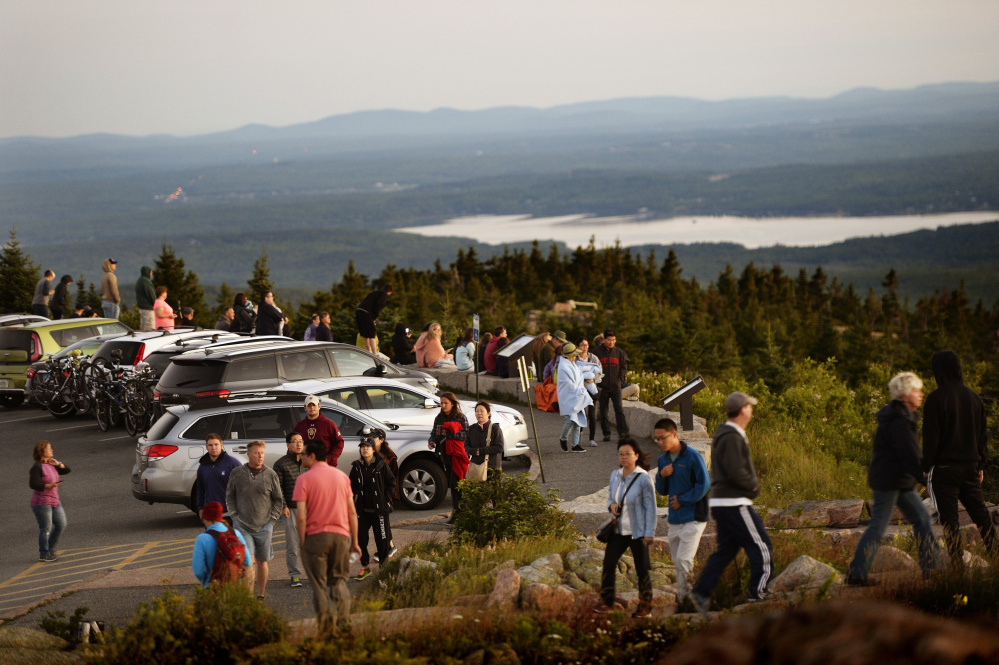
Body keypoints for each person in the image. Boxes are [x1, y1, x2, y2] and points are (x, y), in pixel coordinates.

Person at [847, 372, 942, 585]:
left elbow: (910, 457)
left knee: (922, 519)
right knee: (879, 526)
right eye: (917, 390)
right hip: (889, 482)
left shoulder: (902, 416)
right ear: (906, 394)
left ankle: (933, 568)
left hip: (899, 481)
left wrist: (922, 476)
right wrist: (928, 480)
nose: (921, 394)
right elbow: (909, 456)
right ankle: (857, 572)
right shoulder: (898, 420)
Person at [690, 392, 774, 617]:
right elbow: (736, 470)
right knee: (762, 545)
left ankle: (700, 593)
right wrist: (754, 487)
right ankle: (759, 592)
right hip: (734, 502)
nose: (752, 410)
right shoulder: (732, 436)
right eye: (750, 407)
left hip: (722, 501)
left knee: (726, 550)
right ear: (743, 410)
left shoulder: (727, 434)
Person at [923, 350, 999, 563]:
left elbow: (931, 438)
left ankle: (957, 569)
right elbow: (982, 437)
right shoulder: (974, 398)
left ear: (939, 371)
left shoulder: (936, 399)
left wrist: (926, 467)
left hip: (944, 471)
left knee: (950, 523)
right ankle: (995, 559)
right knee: (982, 517)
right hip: (971, 469)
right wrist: (981, 464)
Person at [293, 440, 362, 633]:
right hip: (340, 537)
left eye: (304, 453)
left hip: (316, 537)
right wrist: (354, 542)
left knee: (319, 585)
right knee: (339, 581)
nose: (301, 457)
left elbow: (300, 516)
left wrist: (303, 541)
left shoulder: (304, 480)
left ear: (312, 456)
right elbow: (351, 512)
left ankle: (326, 629)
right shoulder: (341, 477)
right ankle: (345, 625)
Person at [596, 437, 657, 618]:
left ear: (636, 456)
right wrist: (611, 506)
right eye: (621, 454)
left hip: (638, 532)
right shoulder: (615, 475)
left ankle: (645, 608)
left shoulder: (643, 478)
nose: (624, 457)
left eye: (628, 454)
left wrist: (649, 533)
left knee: (642, 569)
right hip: (618, 530)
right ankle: (607, 603)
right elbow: (610, 498)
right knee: (608, 564)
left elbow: (651, 508)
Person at [654, 418, 710, 599]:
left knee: (684, 559)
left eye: (663, 438)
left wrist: (683, 500)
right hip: (675, 518)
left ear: (675, 435)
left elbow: (705, 484)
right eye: (657, 439)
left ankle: (688, 599)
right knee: (678, 561)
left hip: (694, 516)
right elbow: (662, 491)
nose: (660, 442)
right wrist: (661, 475)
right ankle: (684, 596)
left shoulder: (692, 456)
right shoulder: (663, 460)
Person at [225, 440, 283, 600]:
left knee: (262, 561)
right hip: (242, 525)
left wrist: (272, 520)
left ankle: (261, 594)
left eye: (262, 453)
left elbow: (278, 499)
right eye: (257, 453)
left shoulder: (271, 474)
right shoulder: (237, 473)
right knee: (248, 562)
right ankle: (248, 597)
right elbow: (229, 496)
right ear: (249, 454)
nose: (260, 456)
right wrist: (234, 516)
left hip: (265, 525)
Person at [350, 436, 396, 580]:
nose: (364, 449)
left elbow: (391, 483)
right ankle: (365, 567)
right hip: (362, 511)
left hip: (379, 510)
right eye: (362, 446)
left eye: (367, 447)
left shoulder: (381, 465)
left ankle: (384, 567)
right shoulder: (357, 466)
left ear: (373, 449)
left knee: (382, 540)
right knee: (360, 540)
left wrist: (385, 498)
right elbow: (351, 488)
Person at [191, 501, 253, 588]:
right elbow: (247, 561)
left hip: (213, 586)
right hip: (235, 587)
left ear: (207, 519)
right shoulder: (235, 533)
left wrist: (206, 582)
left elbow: (198, 571)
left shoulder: (202, 539)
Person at [428, 392, 468, 522]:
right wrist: (432, 441)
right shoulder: (439, 418)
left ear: (452, 403)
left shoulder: (460, 417)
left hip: (456, 455)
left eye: (446, 403)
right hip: (443, 455)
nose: (443, 405)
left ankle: (459, 513)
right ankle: (459, 512)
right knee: (453, 485)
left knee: (456, 483)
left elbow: (465, 436)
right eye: (442, 403)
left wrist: (449, 434)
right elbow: (434, 432)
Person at [273, 431, 306, 588]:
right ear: (288, 444)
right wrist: (283, 506)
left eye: (301, 441)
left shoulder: (307, 460)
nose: (299, 444)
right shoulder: (281, 464)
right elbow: (278, 488)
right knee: (292, 545)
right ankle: (295, 575)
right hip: (291, 509)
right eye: (295, 441)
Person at [29, 440, 70, 562]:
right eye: (49, 448)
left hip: (55, 501)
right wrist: (47, 486)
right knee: (45, 528)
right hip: (41, 502)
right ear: (42, 451)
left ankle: (50, 547)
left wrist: (58, 464)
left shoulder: (52, 464)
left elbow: (67, 470)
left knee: (61, 524)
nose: (52, 450)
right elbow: (33, 484)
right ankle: (44, 554)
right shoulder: (37, 467)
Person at [594, 329, 630, 442]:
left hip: (616, 387)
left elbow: (624, 367)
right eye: (609, 340)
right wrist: (597, 382)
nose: (611, 342)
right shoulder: (596, 353)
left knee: (619, 410)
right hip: (602, 387)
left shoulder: (619, 352)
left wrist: (620, 379)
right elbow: (591, 368)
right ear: (604, 339)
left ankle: (623, 433)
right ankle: (606, 433)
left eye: (613, 340)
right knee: (603, 411)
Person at [556, 343, 592, 453]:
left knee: (578, 420)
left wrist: (579, 390)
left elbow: (576, 379)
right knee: (570, 420)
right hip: (569, 396)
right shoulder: (563, 367)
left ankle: (575, 444)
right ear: (570, 355)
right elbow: (567, 384)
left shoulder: (571, 364)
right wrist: (580, 391)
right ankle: (563, 438)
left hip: (575, 395)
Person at [196, 433, 242, 516]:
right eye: (210, 445)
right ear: (206, 447)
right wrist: (200, 508)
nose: (213, 448)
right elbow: (200, 489)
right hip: (210, 511)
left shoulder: (233, 463)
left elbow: (243, 487)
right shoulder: (202, 466)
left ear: (221, 445)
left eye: (216, 444)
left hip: (230, 512)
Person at [294, 395, 345, 467]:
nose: (311, 408)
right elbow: (294, 445)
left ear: (319, 406)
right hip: (306, 467)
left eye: (314, 405)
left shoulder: (329, 424)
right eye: (309, 405)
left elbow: (339, 442)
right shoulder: (299, 426)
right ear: (305, 408)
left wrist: (329, 459)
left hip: (326, 466)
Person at [576, 337, 604, 447]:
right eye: (582, 345)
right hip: (580, 390)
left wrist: (594, 379)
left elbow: (600, 372)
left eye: (586, 345)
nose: (584, 347)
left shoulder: (593, 358)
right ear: (577, 346)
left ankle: (592, 439)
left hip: (592, 389)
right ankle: (579, 435)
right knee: (580, 413)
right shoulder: (575, 359)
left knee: (592, 415)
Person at [466, 400, 505, 476]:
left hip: (492, 468)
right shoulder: (471, 429)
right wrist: (474, 451)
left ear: (488, 413)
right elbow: (466, 446)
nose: (479, 413)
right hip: (476, 467)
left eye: (482, 411)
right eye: (477, 411)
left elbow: (500, 447)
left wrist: (481, 450)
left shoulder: (495, 428)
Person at [356, 284, 392, 355]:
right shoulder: (384, 294)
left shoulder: (374, 292)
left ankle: (369, 351)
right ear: (390, 292)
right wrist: (374, 317)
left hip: (359, 311)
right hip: (366, 313)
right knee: (372, 334)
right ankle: (375, 354)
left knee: (365, 334)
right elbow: (379, 305)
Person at [135, 266, 156, 331]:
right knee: (150, 327)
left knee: (143, 327)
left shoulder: (139, 281)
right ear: (147, 272)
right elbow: (151, 295)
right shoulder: (146, 282)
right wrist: (156, 304)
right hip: (148, 308)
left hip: (141, 308)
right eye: (151, 271)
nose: (152, 273)